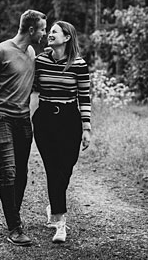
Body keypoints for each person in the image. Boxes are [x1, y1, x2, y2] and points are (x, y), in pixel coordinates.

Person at [0, 9, 47, 246]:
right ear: (31, 29)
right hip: (0, 118)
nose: (45, 34)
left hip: (23, 120)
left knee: (22, 173)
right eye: (43, 29)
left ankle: (13, 215)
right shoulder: (1, 51)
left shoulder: (32, 52)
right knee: (9, 171)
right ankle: (15, 227)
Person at [32, 20, 91, 244]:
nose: (49, 34)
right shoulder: (40, 61)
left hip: (69, 119)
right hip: (45, 119)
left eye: (54, 32)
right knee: (53, 168)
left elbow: (84, 97)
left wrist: (86, 127)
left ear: (67, 37)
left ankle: (54, 205)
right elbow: (29, 87)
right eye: (49, 31)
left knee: (66, 167)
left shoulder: (79, 64)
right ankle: (60, 221)